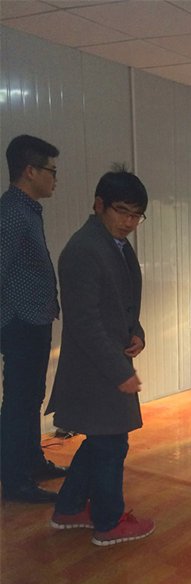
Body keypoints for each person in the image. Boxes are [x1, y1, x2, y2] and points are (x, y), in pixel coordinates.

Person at [45, 165, 154, 546]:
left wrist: (136, 332)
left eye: (136, 215)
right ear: (98, 204)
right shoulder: (84, 250)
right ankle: (108, 523)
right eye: (121, 211)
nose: (129, 222)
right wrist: (119, 371)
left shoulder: (115, 244)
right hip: (95, 367)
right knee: (110, 444)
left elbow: (122, 303)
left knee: (102, 442)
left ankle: (70, 508)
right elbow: (84, 322)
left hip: (109, 359)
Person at [0, 134, 68, 504]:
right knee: (19, 401)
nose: (55, 178)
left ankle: (31, 463)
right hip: (20, 321)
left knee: (30, 398)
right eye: (51, 171)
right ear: (30, 171)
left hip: (33, 319)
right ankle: (15, 480)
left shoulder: (26, 209)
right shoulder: (12, 211)